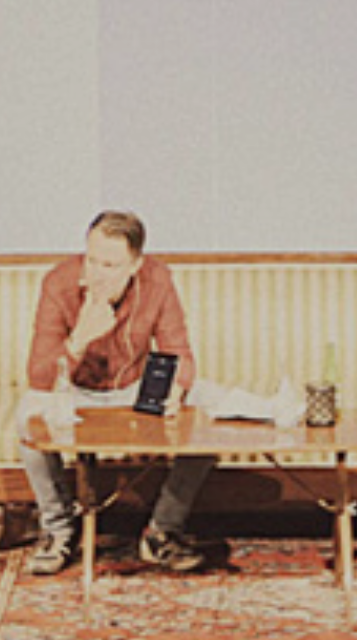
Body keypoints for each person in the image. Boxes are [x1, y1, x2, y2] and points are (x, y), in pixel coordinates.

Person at [17, 210, 213, 575]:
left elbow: (179, 353)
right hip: (74, 391)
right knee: (27, 415)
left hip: (133, 388)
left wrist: (176, 387)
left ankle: (162, 531)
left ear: (135, 265)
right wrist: (78, 340)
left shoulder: (157, 280)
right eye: (91, 260)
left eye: (110, 265)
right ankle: (58, 530)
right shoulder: (59, 283)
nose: (96, 274)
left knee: (209, 413)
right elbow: (39, 376)